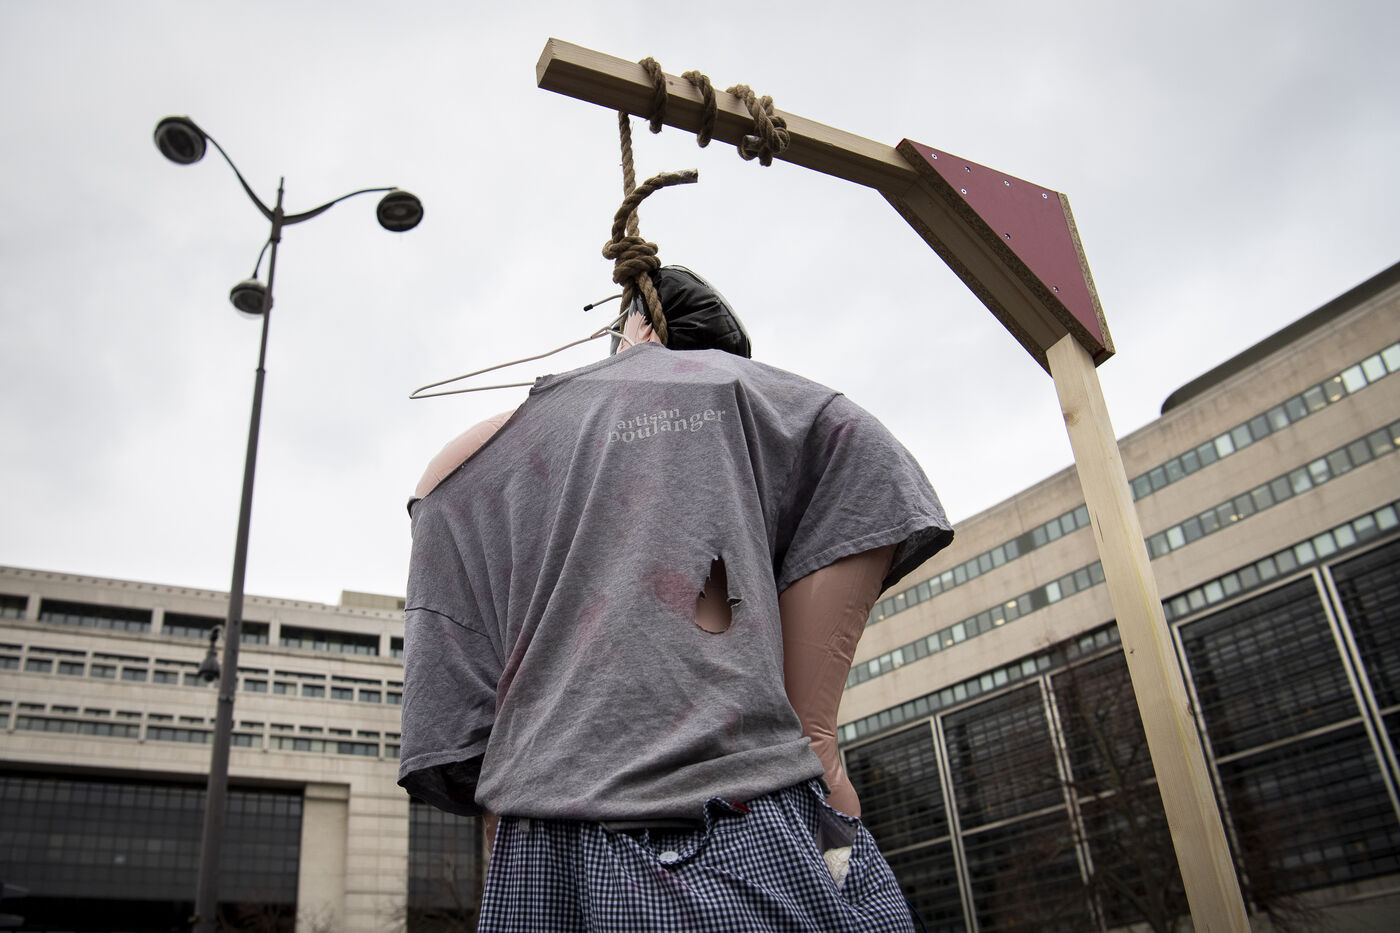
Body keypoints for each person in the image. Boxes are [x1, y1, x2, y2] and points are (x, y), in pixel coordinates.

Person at [399, 267, 953, 931]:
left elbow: (455, 708)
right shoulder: (769, 406)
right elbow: (868, 459)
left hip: (542, 848)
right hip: (744, 816)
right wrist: (816, 748)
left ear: (633, 321)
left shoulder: (465, 463)